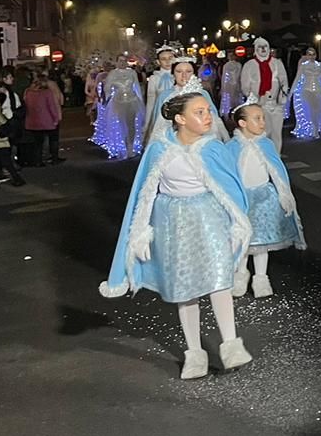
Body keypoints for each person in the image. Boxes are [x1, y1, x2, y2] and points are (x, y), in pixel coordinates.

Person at [100, 92, 253, 379]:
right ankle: (194, 353)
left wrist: (237, 222)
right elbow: (144, 193)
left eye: (208, 111)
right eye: (199, 112)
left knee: (219, 280)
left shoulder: (213, 148)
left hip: (209, 218)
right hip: (174, 222)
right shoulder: (159, 149)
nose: (208, 116)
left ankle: (231, 344)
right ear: (180, 119)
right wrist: (140, 232)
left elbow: (231, 187)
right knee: (185, 288)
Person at [229, 101, 305, 298]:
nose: (263, 122)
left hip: (263, 198)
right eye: (257, 118)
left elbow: (277, 170)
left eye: (262, 118)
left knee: (262, 240)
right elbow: (225, 174)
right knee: (242, 239)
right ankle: (240, 274)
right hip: (241, 199)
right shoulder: (231, 147)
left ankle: (261, 278)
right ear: (242, 123)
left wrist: (284, 194)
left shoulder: (266, 144)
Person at [148, 58, 229, 146]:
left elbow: (214, 120)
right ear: (173, 74)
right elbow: (158, 125)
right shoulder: (165, 96)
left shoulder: (203, 94)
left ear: (194, 74)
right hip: (172, 143)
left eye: (188, 71)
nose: (184, 75)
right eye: (179, 71)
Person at [239, 38, 291, 152]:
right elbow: (245, 86)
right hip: (259, 105)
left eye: (265, 46)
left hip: (276, 105)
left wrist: (282, 96)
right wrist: (254, 99)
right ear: (255, 49)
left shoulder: (277, 63)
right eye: (260, 47)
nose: (263, 49)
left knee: (276, 133)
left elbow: (284, 81)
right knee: (263, 133)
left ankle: (276, 157)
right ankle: (263, 157)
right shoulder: (250, 65)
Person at [95, 60, 146, 159]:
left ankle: (130, 146)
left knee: (131, 124)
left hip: (132, 101)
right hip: (118, 102)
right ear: (117, 62)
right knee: (122, 125)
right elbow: (107, 88)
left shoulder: (131, 72)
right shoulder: (113, 74)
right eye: (120, 61)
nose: (122, 63)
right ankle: (124, 146)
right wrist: (106, 97)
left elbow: (136, 86)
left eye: (124, 60)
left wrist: (141, 99)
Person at [291, 46, 321, 139]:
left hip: (318, 90)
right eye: (309, 54)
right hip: (307, 90)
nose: (311, 56)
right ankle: (314, 129)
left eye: (313, 54)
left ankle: (316, 127)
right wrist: (292, 91)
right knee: (312, 109)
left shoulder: (319, 66)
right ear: (306, 55)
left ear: (316, 55)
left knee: (318, 110)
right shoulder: (303, 66)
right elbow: (297, 78)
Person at [22, 71, 64, 167]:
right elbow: (51, 107)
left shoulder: (28, 92)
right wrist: (56, 118)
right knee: (53, 139)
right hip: (47, 120)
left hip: (33, 120)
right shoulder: (47, 92)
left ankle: (38, 161)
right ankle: (54, 158)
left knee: (38, 143)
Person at [219, 53, 245, 118]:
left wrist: (223, 88)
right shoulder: (239, 65)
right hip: (237, 86)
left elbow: (224, 78)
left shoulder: (226, 65)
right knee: (237, 100)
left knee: (228, 101)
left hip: (227, 87)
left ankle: (227, 115)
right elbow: (240, 76)